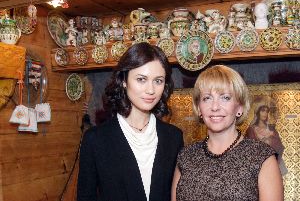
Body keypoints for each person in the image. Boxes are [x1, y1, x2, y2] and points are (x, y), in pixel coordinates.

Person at [77, 42, 184, 201]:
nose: (151, 90)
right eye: (141, 79)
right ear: (124, 80)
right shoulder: (95, 139)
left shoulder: (173, 137)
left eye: (158, 81)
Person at [171, 65, 283, 201]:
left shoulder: (261, 157)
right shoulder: (186, 157)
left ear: (240, 107)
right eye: (207, 98)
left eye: (225, 98)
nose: (215, 107)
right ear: (199, 108)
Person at [246, 101, 288, 176]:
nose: (265, 113)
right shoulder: (251, 130)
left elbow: (280, 147)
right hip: (257, 165)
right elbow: (248, 148)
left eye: (267, 111)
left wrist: (271, 139)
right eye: (262, 111)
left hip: (273, 162)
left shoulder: (272, 129)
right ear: (258, 112)